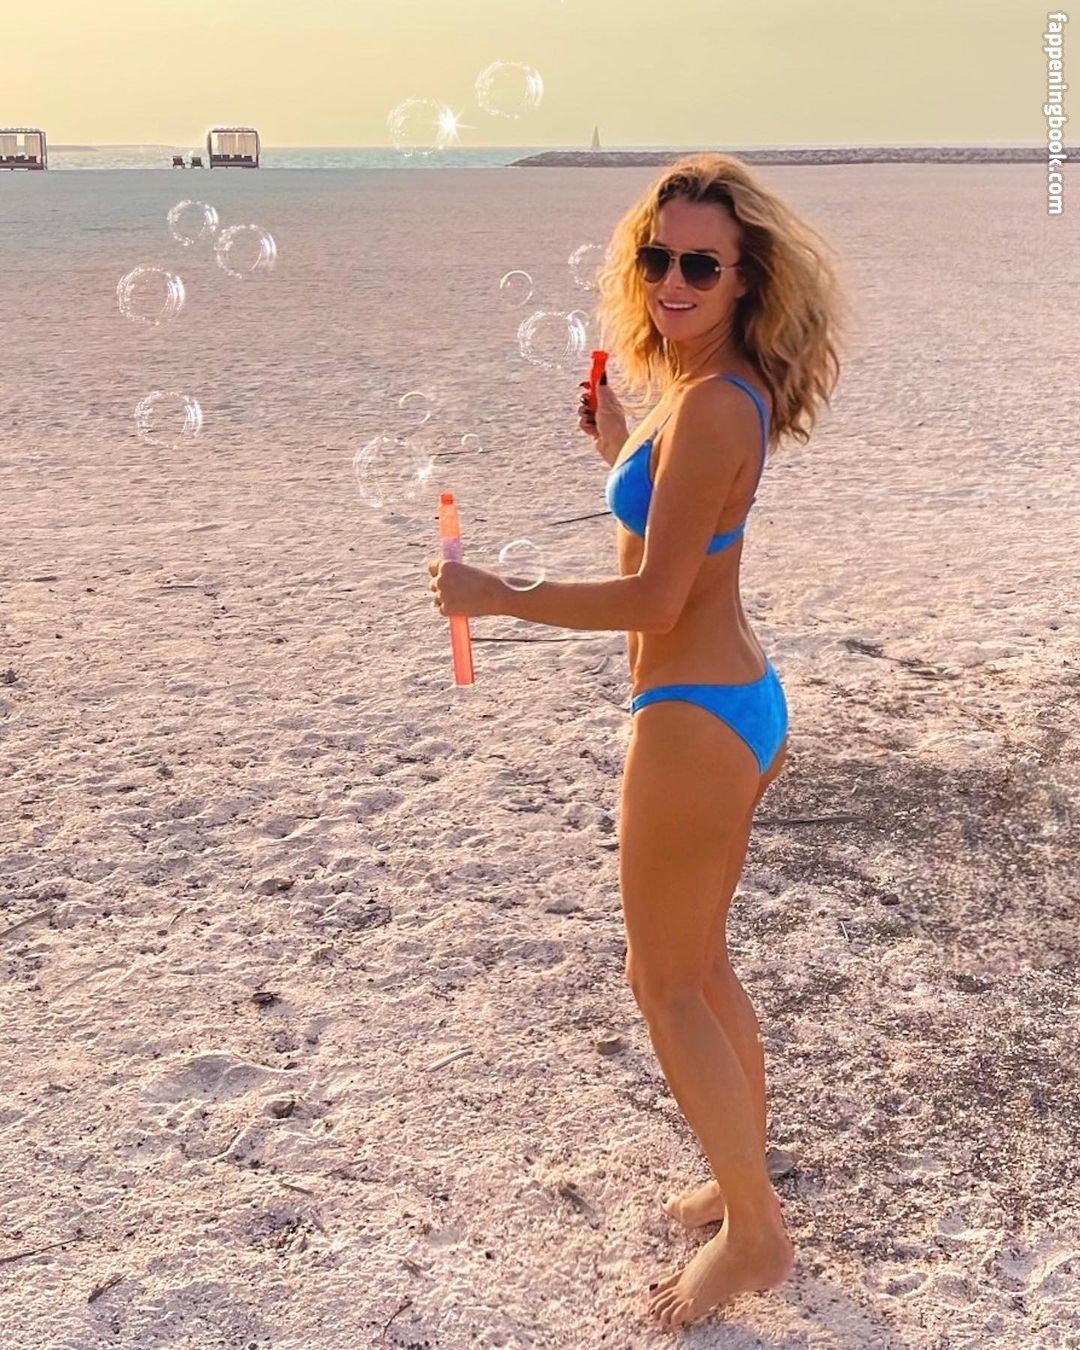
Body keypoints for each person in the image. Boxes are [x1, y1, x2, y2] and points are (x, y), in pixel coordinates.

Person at [428, 151, 845, 1329]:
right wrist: (618, 437)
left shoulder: (710, 405)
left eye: (701, 264)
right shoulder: (708, 387)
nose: (672, 280)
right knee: (702, 967)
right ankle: (739, 1181)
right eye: (657, 257)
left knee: (663, 982)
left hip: (693, 714)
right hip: (733, 701)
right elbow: (679, 518)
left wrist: (497, 595)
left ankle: (756, 1235)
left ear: (746, 276)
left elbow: (657, 600)